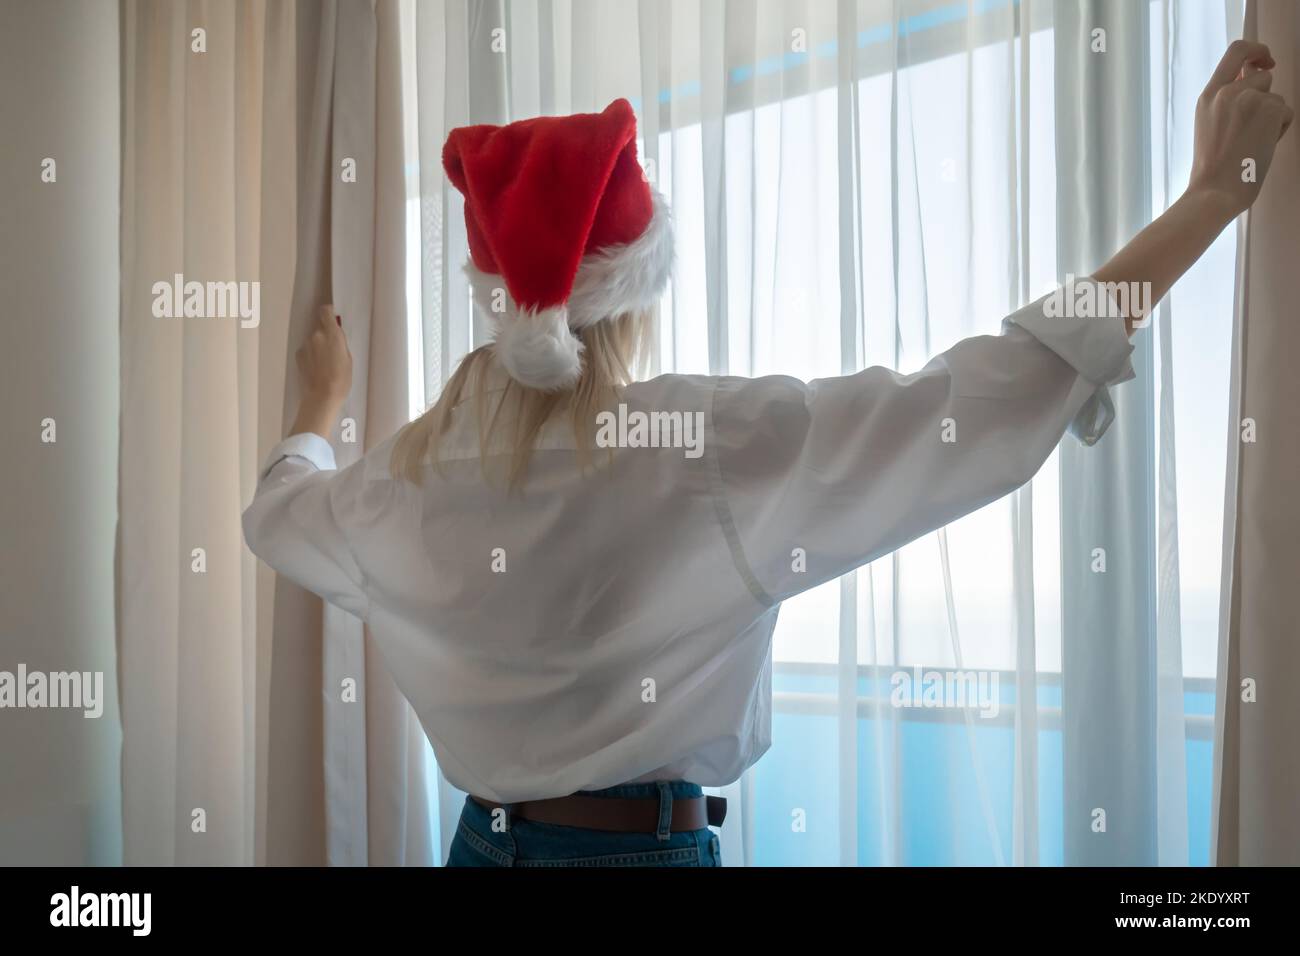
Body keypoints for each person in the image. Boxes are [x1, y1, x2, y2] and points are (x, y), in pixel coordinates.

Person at [243, 41, 1291, 867]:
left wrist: (320, 399)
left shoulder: (395, 486)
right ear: (637, 289)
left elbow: (280, 509)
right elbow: (981, 397)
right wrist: (1207, 199)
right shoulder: (706, 450)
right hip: (642, 855)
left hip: (477, 847)